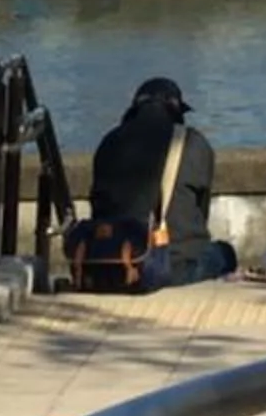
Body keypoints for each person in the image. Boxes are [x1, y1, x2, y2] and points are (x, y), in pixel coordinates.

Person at [79, 76, 217, 288]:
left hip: (115, 258)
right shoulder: (193, 142)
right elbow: (201, 209)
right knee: (225, 253)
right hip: (175, 264)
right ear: (177, 111)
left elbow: (97, 206)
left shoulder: (109, 141)